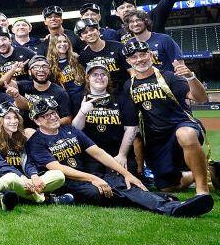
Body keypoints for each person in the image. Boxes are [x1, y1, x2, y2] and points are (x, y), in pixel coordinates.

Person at [26, 98, 212, 216]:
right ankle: (168, 206)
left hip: (88, 175)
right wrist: (94, 179)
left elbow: (97, 151)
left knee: (120, 181)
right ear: (36, 121)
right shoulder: (36, 141)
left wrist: (126, 173)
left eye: (53, 112)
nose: (51, 117)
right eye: (45, 116)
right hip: (69, 183)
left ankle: (165, 202)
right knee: (101, 192)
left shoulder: (69, 130)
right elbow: (57, 168)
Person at [121, 40, 212, 195]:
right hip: (157, 139)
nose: (139, 59)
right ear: (128, 61)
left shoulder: (169, 77)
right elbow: (132, 124)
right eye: (134, 57)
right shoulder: (129, 85)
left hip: (181, 125)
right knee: (166, 187)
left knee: (186, 134)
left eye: (143, 54)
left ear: (150, 55)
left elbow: (201, 98)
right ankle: (204, 171)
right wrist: (123, 154)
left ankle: (202, 190)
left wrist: (191, 77)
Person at [0, 104, 70, 204]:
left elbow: (28, 161)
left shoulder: (19, 137)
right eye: (8, 118)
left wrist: (34, 176)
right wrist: (21, 177)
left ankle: (22, 196)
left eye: (15, 117)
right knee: (11, 178)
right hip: (0, 181)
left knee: (58, 175)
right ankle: (46, 199)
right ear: (0, 120)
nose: (13, 121)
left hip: (24, 182)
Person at [72, 60, 139, 174]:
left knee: (126, 181)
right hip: (92, 155)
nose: (100, 77)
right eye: (95, 75)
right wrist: (82, 112)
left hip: (117, 152)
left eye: (103, 74)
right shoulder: (78, 99)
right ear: (88, 78)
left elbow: (131, 128)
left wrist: (122, 155)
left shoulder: (121, 98)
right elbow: (76, 130)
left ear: (108, 78)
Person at [10, 56, 73, 126]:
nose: (41, 70)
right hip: (26, 129)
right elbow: (4, 83)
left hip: (49, 131)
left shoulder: (60, 93)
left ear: (49, 70)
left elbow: (68, 119)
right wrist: (13, 70)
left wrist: (47, 125)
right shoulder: (24, 85)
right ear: (29, 72)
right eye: (36, 67)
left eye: (45, 66)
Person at [75, 18, 129, 96]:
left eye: (92, 30)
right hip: (100, 95)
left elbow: (131, 71)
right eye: (85, 32)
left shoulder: (118, 47)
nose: (89, 33)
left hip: (123, 93)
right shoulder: (83, 56)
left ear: (98, 31)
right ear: (81, 37)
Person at [46, 34, 86, 104]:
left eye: (65, 41)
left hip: (83, 96)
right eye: (59, 42)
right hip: (67, 100)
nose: (63, 44)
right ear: (53, 45)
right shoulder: (49, 64)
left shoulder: (77, 58)